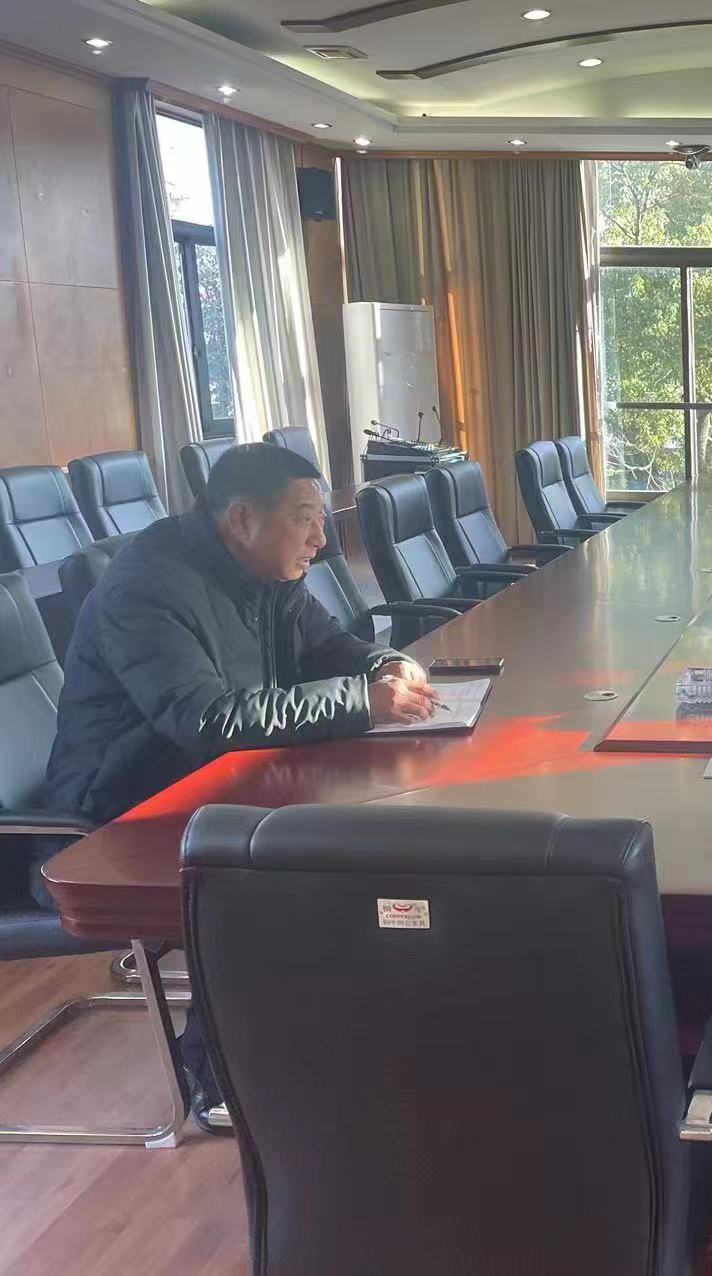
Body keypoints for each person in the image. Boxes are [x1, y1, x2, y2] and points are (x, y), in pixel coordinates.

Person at [39, 442, 443, 1130]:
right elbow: (206, 719)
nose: (321, 538)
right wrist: (360, 702)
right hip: (121, 810)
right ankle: (217, 1076)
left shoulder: (266, 569)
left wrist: (385, 663)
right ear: (243, 519)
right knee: (266, 869)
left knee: (351, 830)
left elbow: (329, 646)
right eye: (304, 518)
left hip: (215, 784)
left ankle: (340, 1028)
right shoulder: (147, 586)